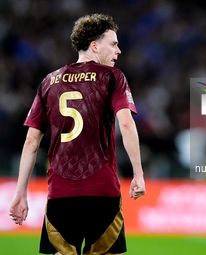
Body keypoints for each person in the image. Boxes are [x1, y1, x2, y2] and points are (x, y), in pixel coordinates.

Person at [8, 13, 146, 255]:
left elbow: (31, 140)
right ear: (94, 45)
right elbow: (125, 125)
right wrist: (138, 173)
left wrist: (20, 193)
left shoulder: (49, 81)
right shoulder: (113, 78)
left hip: (61, 193)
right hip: (103, 190)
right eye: (113, 44)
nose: (119, 50)